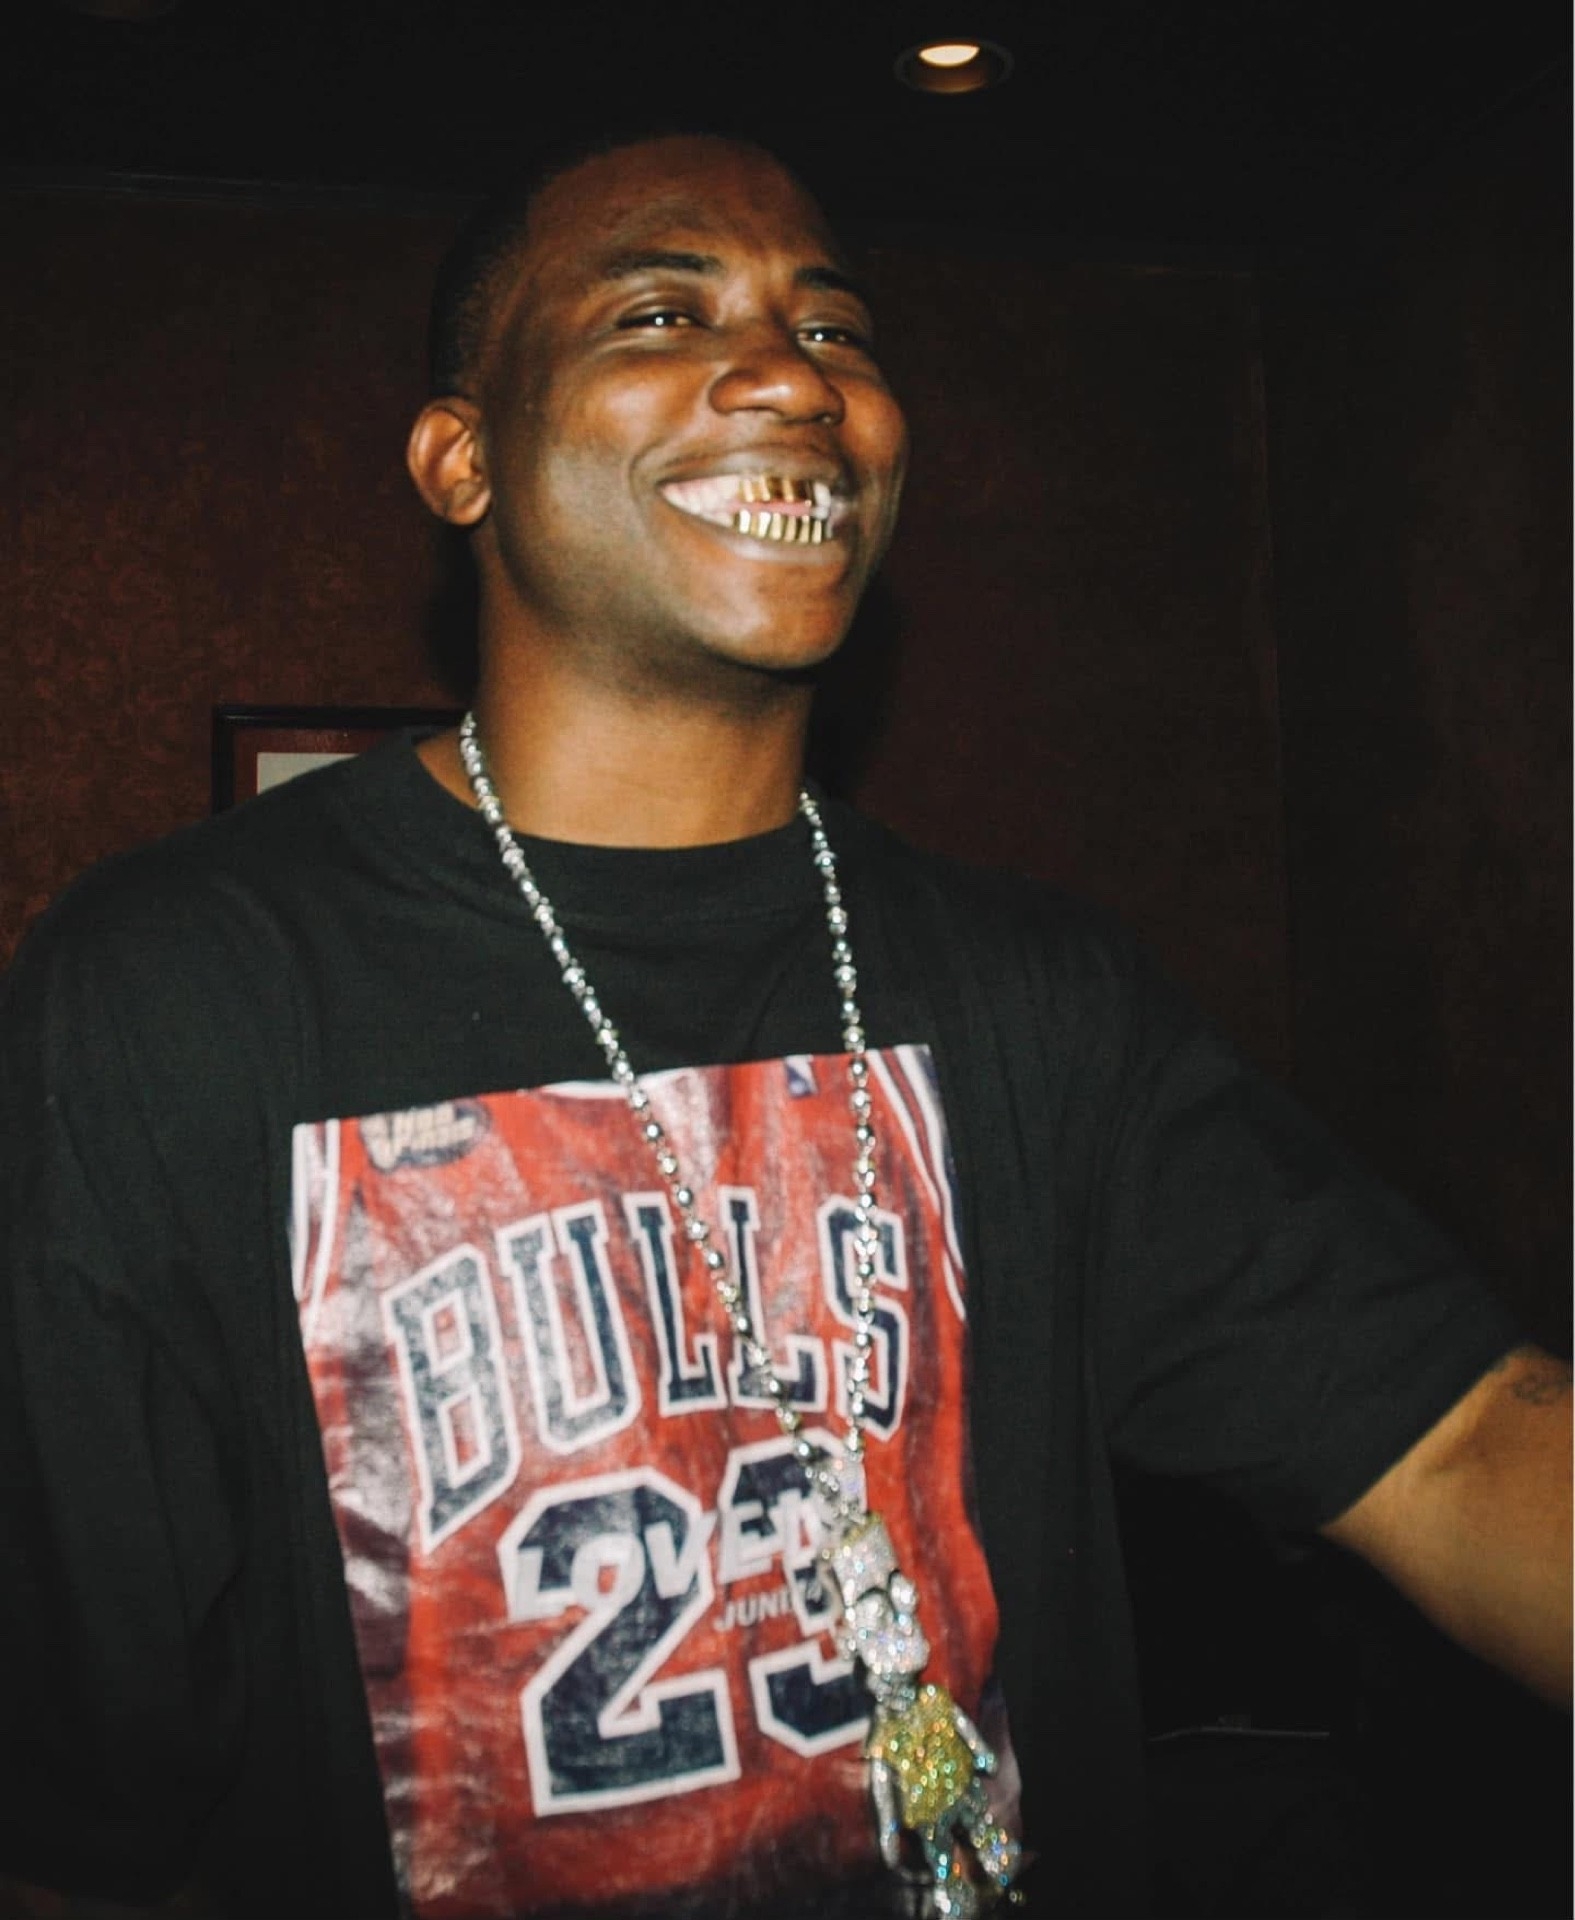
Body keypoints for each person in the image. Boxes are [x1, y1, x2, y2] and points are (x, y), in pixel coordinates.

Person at [0, 131, 1567, 1920]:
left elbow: (1461, 1446)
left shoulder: (1036, 996)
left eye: (836, 331)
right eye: (663, 314)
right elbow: (66, 1826)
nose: (794, 380)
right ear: (462, 460)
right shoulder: (172, 992)